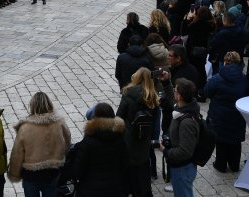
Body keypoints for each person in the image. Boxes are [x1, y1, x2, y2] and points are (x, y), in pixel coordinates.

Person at [7, 92, 71, 197]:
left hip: (30, 175)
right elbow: (67, 144)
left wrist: (14, 174)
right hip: (52, 173)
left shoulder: (25, 127)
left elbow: (17, 153)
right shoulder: (60, 123)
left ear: (32, 106)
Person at [116, 68, 159, 197]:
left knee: (128, 167)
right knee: (142, 165)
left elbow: (119, 116)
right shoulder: (153, 97)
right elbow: (155, 119)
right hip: (144, 137)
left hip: (129, 137)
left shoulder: (128, 93)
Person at [204, 52, 247, 173]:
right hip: (238, 115)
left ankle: (221, 164)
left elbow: (207, 92)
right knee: (235, 140)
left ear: (225, 62)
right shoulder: (243, 78)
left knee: (221, 140)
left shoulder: (217, 78)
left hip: (219, 115)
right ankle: (234, 165)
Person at [74, 102, 128, 197]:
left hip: (90, 189)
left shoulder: (87, 142)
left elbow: (79, 168)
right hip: (115, 188)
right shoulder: (120, 139)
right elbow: (124, 165)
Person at [163, 77, 200, 197]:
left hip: (182, 169)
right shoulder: (184, 107)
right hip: (179, 166)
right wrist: (165, 82)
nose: (173, 92)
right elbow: (171, 100)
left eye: (175, 90)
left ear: (180, 96)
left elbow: (185, 151)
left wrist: (165, 151)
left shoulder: (186, 122)